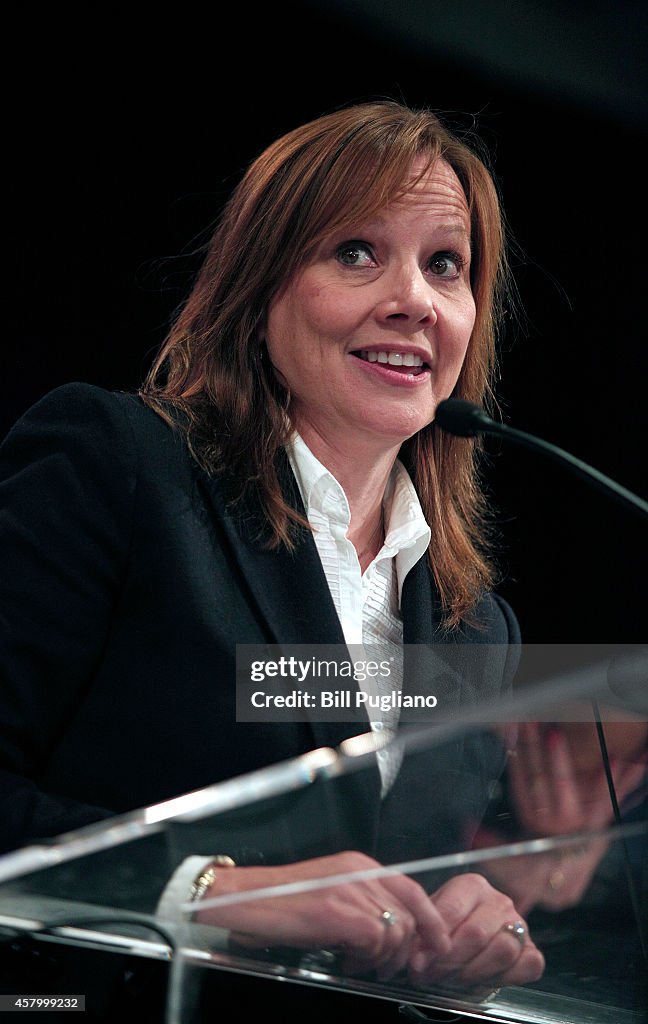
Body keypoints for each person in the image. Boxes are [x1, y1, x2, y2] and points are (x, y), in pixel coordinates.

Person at [0, 100, 546, 1015]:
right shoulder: (118, 468)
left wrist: (488, 931)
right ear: (260, 288)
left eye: (445, 265)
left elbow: (409, 891)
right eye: (357, 252)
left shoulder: (475, 628)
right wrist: (214, 892)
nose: (413, 298)